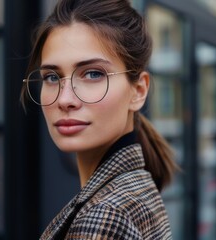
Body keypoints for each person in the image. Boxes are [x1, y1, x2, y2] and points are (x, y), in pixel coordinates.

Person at [21, 0, 179, 239]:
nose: (65, 99)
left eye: (93, 74)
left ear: (138, 91)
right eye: (52, 77)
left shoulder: (105, 215)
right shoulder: (135, 189)